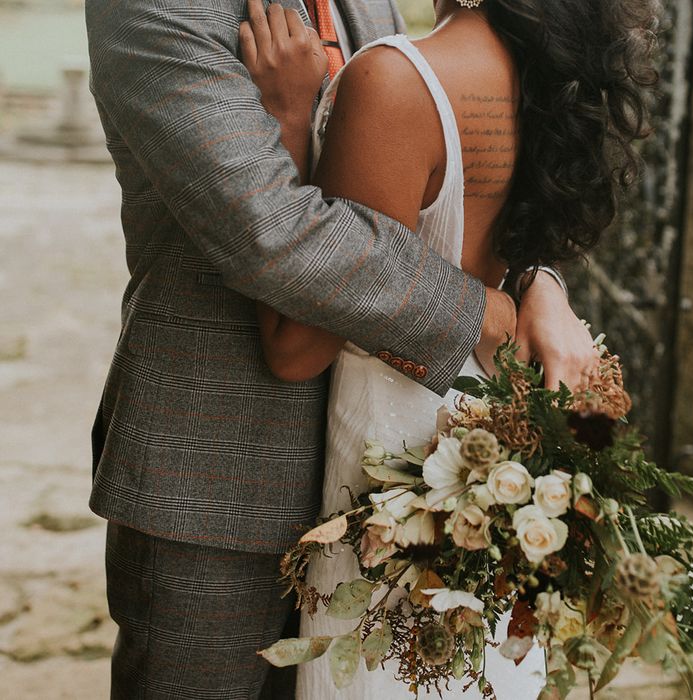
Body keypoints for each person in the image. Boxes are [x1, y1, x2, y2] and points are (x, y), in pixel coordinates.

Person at [85, 0, 600, 695]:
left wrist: (541, 283)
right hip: (215, 488)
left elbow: (420, 194)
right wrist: (488, 314)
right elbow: (274, 230)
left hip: (380, 492)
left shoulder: (368, 3)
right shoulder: (155, 8)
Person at [239, 0, 659, 697]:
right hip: (501, 450)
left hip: (399, 467)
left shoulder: (396, 80)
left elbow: (294, 347)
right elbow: (518, 257)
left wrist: (283, 119)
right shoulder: (551, 80)